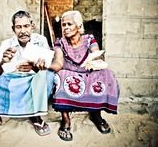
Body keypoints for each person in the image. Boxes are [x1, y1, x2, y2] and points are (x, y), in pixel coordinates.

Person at [0, 10, 54, 137]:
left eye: (26, 26)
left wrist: (35, 66)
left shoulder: (41, 40)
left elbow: (45, 65)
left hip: (31, 79)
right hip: (12, 80)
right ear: (13, 29)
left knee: (47, 73)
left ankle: (36, 116)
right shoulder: (6, 44)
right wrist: (2, 62)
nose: (23, 31)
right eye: (18, 27)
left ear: (32, 26)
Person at [48, 10, 119, 141]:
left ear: (79, 26)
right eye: (63, 25)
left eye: (70, 24)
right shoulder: (60, 42)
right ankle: (65, 120)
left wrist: (96, 60)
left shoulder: (89, 39)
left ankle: (96, 114)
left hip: (87, 72)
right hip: (70, 75)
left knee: (107, 74)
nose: (66, 27)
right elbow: (58, 63)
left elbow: (96, 53)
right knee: (60, 75)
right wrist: (45, 66)